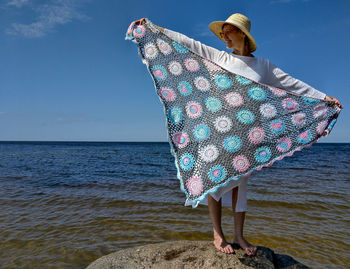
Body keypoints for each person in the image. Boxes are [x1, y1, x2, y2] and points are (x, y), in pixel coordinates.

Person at [134, 13, 342, 256]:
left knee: (240, 184)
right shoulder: (219, 57)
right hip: (216, 130)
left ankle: (239, 236)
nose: (224, 36)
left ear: (242, 34)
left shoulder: (263, 66)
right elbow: (188, 43)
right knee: (214, 178)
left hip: (247, 133)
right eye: (222, 33)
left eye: (228, 31)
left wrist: (324, 98)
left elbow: (292, 84)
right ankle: (217, 233)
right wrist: (154, 28)